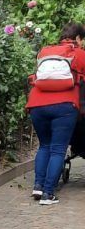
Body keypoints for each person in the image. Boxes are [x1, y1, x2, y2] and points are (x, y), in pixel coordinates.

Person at [26, 22, 85, 205]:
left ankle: (38, 186)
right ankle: (48, 194)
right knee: (58, 149)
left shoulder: (45, 52)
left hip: (36, 104)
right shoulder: (80, 54)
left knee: (44, 146)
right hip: (64, 106)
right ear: (77, 38)